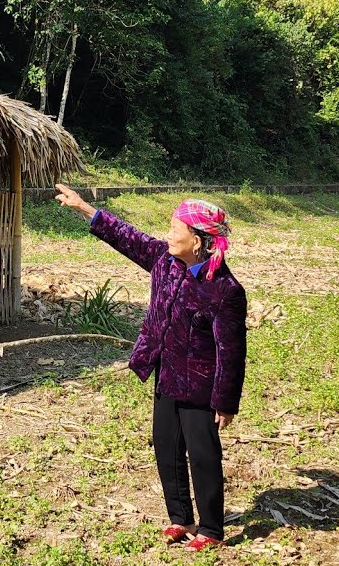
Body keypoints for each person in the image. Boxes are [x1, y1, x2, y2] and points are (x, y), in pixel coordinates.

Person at [53, 184, 247, 552]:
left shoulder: (225, 290)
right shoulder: (164, 260)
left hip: (201, 386)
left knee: (203, 454)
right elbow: (125, 236)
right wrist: (82, 206)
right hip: (165, 373)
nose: (169, 234)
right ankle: (180, 518)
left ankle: (211, 528)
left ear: (200, 240)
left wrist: (226, 401)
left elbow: (232, 351)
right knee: (166, 447)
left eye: (178, 229)